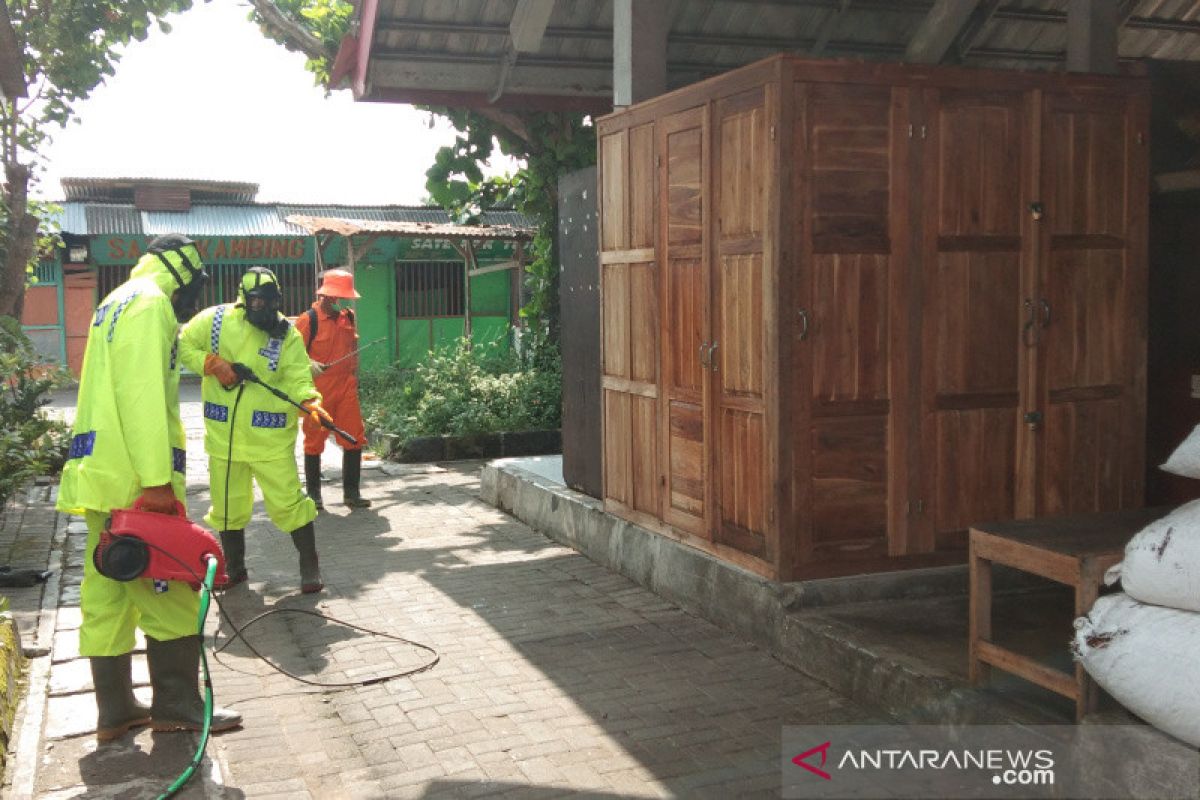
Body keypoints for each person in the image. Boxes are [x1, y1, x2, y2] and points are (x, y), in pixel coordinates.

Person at [56, 233, 241, 741]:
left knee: (108, 591)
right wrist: (158, 481)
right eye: (196, 288)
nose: (195, 300)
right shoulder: (151, 303)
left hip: (101, 475)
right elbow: (140, 395)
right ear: (181, 274)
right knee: (168, 583)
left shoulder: (115, 301)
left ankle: (115, 711)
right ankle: (178, 704)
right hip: (138, 484)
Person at [178, 266, 330, 594]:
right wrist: (213, 364)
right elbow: (182, 344)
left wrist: (311, 403)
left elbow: (297, 376)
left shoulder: (286, 335)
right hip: (225, 437)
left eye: (271, 302)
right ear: (244, 300)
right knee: (228, 506)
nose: (265, 309)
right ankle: (236, 568)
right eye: (257, 302)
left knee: (289, 502)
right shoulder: (214, 321)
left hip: (270, 438)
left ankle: (309, 565)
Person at [294, 268, 371, 510]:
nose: (339, 301)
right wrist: (309, 365)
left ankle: (352, 493)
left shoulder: (346, 318)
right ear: (324, 294)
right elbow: (291, 356)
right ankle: (314, 495)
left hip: (346, 388)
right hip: (318, 391)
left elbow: (352, 351)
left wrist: (354, 378)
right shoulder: (308, 320)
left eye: (342, 296)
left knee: (354, 438)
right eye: (335, 296)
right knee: (314, 441)